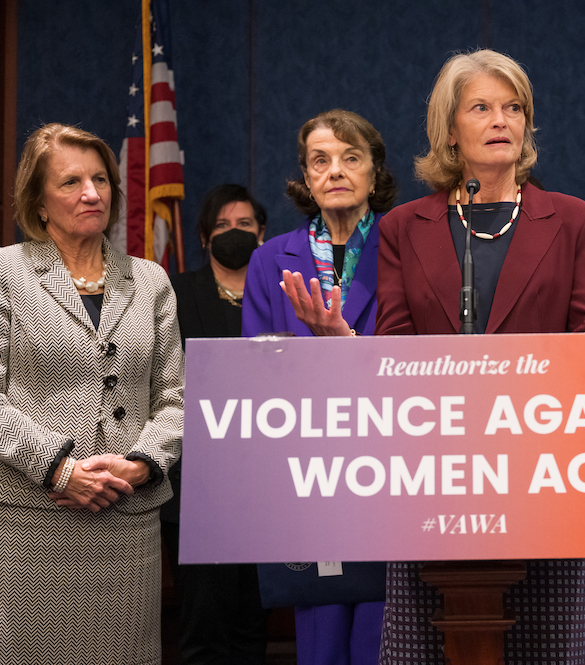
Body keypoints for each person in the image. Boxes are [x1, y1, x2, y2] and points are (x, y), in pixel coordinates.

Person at [375, 48, 585, 665]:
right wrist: (342, 349)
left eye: (514, 108)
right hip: (433, 483)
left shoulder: (572, 221)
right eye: (481, 108)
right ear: (449, 129)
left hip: (546, 477)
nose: (500, 120)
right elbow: (393, 354)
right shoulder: (405, 227)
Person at [1, 123, 183, 663]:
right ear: (38, 203)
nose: (92, 193)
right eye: (71, 181)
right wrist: (60, 469)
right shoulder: (7, 274)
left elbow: (175, 397)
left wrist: (143, 463)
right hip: (35, 519)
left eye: (101, 179)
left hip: (126, 519)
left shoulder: (150, 280)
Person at [243, 109, 396, 665]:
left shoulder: (405, 250)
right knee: (321, 642)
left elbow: (418, 360)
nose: (335, 170)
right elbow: (256, 377)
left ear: (374, 173)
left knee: (382, 640)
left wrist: (345, 344)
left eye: (351, 158)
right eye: (320, 160)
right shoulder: (269, 260)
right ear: (305, 179)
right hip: (308, 472)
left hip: (388, 469)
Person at [162, 184, 269, 664]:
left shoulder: (281, 294)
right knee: (203, 625)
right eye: (223, 226)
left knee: (253, 623)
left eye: (244, 225)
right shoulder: (176, 293)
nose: (234, 234)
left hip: (267, 483)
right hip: (196, 485)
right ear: (204, 237)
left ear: (262, 234)